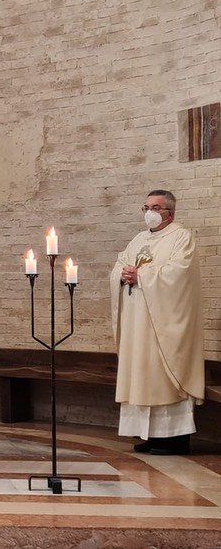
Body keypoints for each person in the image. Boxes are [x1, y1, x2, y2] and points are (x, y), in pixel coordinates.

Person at [110, 190, 204, 455]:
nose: (149, 212)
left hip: (162, 326)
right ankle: (150, 436)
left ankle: (174, 440)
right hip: (137, 324)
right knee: (141, 374)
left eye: (155, 207)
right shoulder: (138, 239)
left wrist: (142, 276)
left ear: (170, 213)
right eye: (146, 207)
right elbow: (119, 265)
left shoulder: (181, 237)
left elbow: (180, 274)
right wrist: (122, 274)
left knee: (160, 375)